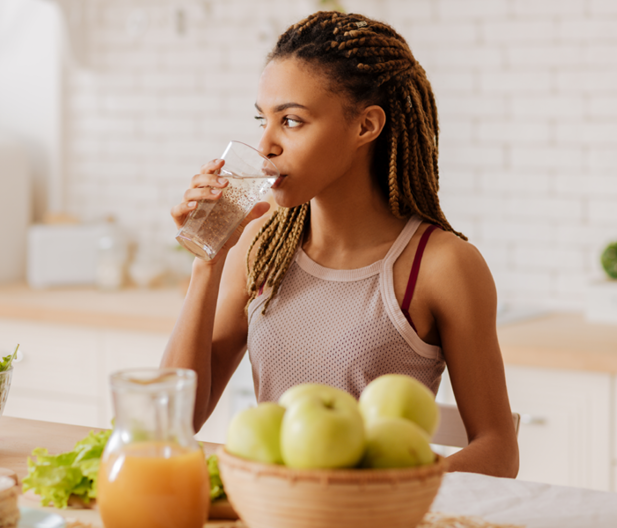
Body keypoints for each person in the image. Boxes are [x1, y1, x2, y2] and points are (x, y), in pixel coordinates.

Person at [161, 11, 519, 478]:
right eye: (262, 119)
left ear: (366, 126)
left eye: (291, 121)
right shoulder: (259, 246)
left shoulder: (441, 265)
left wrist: (387, 491)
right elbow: (172, 422)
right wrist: (207, 258)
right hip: (275, 511)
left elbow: (497, 449)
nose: (265, 143)